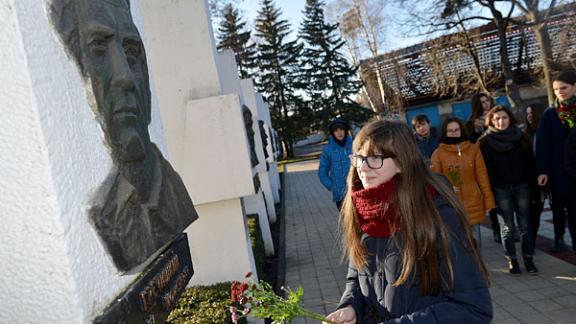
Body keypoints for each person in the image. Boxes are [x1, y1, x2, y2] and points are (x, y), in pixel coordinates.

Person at [50, 0, 198, 271]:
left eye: (131, 52)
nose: (125, 77)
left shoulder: (174, 193)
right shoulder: (107, 213)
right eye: (98, 48)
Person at [324, 120, 492, 324]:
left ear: (402, 162)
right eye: (359, 158)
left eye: (375, 157)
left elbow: (474, 308)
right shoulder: (363, 210)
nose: (363, 167)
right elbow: (358, 277)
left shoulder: (437, 215)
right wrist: (351, 307)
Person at [479, 106, 539, 275]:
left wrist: (535, 189)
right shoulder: (485, 142)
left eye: (504, 118)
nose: (501, 121)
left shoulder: (521, 138)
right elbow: (484, 171)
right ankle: (512, 260)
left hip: (522, 186)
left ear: (510, 118)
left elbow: (531, 164)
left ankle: (528, 258)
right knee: (507, 227)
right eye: (496, 118)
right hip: (500, 189)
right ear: (490, 121)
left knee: (525, 225)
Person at [431, 117, 496, 239]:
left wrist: (488, 202)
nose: (454, 133)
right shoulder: (438, 153)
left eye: (456, 129)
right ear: (445, 132)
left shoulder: (473, 149)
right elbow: (436, 180)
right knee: (458, 242)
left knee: (475, 240)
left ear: (462, 130)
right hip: (451, 204)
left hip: (473, 201)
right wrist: (447, 188)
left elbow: (482, 177)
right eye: (450, 130)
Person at [536, 70, 576, 253]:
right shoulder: (550, 115)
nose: (560, 92)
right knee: (573, 216)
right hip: (562, 174)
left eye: (564, 88)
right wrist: (543, 171)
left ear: (575, 86)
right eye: (556, 89)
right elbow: (543, 145)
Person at [318, 118, 353, 210]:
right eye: (336, 130)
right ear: (332, 133)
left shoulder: (355, 145)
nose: (339, 133)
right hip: (340, 194)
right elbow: (322, 172)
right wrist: (331, 186)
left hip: (357, 190)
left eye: (341, 129)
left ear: (345, 130)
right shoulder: (328, 150)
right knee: (347, 222)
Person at [525, 103, 547, 241]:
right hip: (530, 180)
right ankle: (530, 238)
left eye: (532, 113)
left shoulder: (544, 133)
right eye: (527, 114)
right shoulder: (526, 135)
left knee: (539, 210)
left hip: (545, 178)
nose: (529, 116)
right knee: (531, 212)